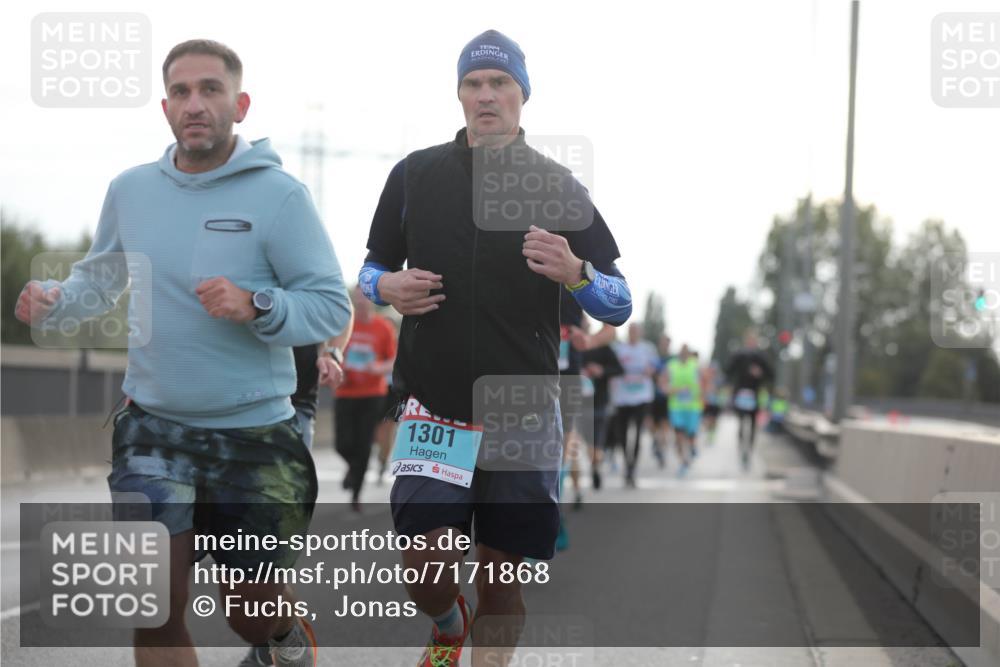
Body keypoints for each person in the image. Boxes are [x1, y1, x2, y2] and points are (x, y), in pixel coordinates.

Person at [16, 39, 352, 667]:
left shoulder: (280, 196)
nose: (194, 103)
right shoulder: (131, 190)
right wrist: (56, 298)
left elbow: (331, 306)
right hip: (153, 429)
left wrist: (258, 305)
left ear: (240, 104)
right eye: (180, 92)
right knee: (154, 609)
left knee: (250, 608)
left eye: (210, 89)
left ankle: (283, 640)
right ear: (165, 107)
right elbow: (101, 281)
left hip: (253, 433)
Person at [357, 30, 631, 667]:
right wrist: (387, 286)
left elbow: (619, 301)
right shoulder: (414, 175)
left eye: (500, 83)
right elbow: (370, 269)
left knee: (502, 581)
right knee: (424, 562)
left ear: (522, 95)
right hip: (434, 403)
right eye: (473, 84)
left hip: (523, 411)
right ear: (458, 96)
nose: (487, 95)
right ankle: (449, 626)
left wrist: (576, 273)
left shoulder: (557, 185)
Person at [334, 285, 397, 511]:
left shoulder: (383, 327)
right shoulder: (344, 325)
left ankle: (356, 494)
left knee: (363, 444)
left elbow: (393, 360)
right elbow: (333, 352)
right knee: (342, 443)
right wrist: (338, 369)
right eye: (357, 297)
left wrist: (379, 367)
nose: (361, 302)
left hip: (373, 394)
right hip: (345, 391)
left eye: (365, 298)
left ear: (371, 300)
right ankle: (352, 467)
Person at [609, 323, 659, 487]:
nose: (633, 334)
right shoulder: (619, 349)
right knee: (622, 433)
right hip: (622, 397)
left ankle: (633, 467)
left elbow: (655, 367)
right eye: (631, 331)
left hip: (641, 396)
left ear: (640, 333)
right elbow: (612, 366)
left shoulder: (647, 348)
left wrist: (649, 370)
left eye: (636, 331)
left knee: (637, 432)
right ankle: (626, 461)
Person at [580, 318, 626, 491]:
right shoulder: (574, 348)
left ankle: (595, 467)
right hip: (579, 402)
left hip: (600, 401)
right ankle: (594, 466)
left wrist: (601, 370)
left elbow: (620, 370)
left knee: (597, 442)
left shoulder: (604, 349)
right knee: (588, 442)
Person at [725, 331, 774, 468]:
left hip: (755, 393)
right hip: (741, 392)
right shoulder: (739, 355)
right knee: (741, 422)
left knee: (753, 424)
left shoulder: (760, 357)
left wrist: (760, 374)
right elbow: (729, 371)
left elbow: (770, 374)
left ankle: (749, 450)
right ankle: (742, 447)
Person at [665, 344, 702, 476]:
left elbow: (704, 381)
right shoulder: (671, 365)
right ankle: (683, 462)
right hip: (676, 407)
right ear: (679, 353)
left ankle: (692, 448)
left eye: (687, 352)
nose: (685, 354)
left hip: (693, 407)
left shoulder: (696, 365)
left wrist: (703, 393)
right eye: (682, 352)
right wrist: (673, 390)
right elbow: (664, 384)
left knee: (691, 436)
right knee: (679, 436)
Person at [650, 334, 673, 468]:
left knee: (665, 425)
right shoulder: (654, 359)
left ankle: (662, 450)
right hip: (653, 396)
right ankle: (656, 441)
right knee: (652, 425)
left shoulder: (672, 360)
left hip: (667, 397)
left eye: (666, 343)